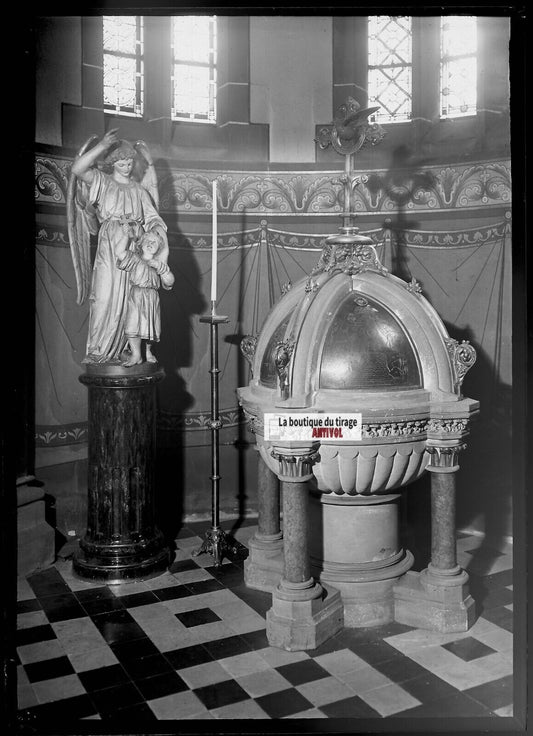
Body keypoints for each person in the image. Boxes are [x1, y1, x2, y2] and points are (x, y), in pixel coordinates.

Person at [70, 128, 168, 364]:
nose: (126, 166)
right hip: (110, 246)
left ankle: (129, 349)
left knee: (131, 300)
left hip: (134, 246)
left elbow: (153, 218)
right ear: (112, 163)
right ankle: (100, 349)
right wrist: (102, 146)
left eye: (128, 162)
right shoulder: (102, 181)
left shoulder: (139, 190)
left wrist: (155, 235)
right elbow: (77, 169)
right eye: (121, 162)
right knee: (104, 297)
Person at [115, 226, 174, 366]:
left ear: (159, 248)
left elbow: (170, 281)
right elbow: (119, 252)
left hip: (152, 297)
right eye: (148, 240)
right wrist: (126, 236)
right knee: (132, 324)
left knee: (151, 327)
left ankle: (148, 351)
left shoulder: (159, 264)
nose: (151, 244)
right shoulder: (135, 259)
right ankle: (136, 354)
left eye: (154, 243)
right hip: (137, 294)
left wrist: (161, 269)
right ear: (140, 243)